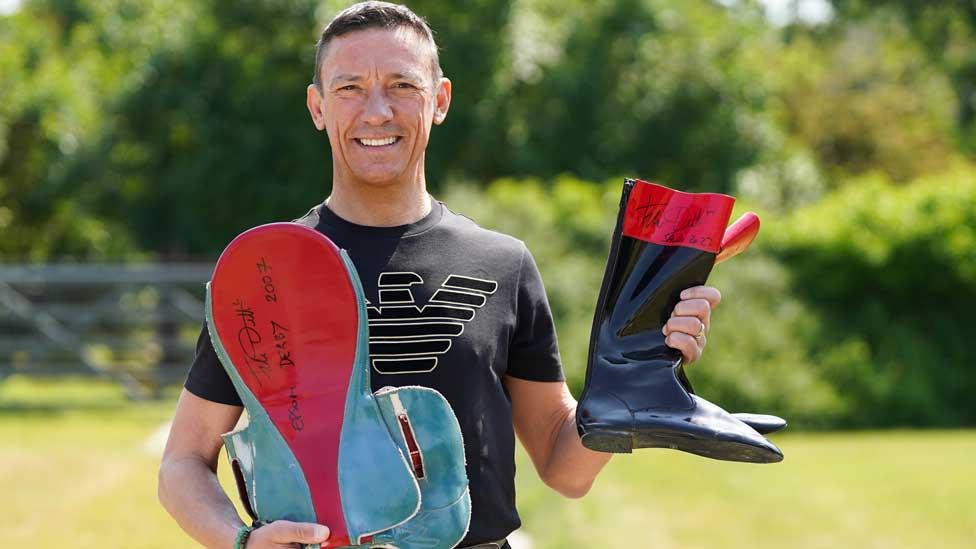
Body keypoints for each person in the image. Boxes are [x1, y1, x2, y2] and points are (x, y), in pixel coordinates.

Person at [157, 2, 722, 548]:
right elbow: (184, 461)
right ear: (317, 106)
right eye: (349, 87)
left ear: (440, 99)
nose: (376, 110)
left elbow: (562, 465)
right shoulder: (266, 273)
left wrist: (636, 375)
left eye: (402, 85)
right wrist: (238, 541)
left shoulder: (502, 263)